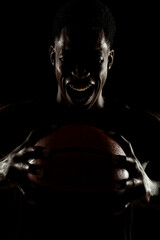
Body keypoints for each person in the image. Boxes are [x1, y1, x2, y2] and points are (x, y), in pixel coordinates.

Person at [0, 0, 160, 239]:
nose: (80, 71)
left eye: (94, 59)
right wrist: (1, 171)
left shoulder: (141, 126)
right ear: (53, 57)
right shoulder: (14, 120)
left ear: (110, 61)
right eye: (68, 58)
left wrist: (153, 189)